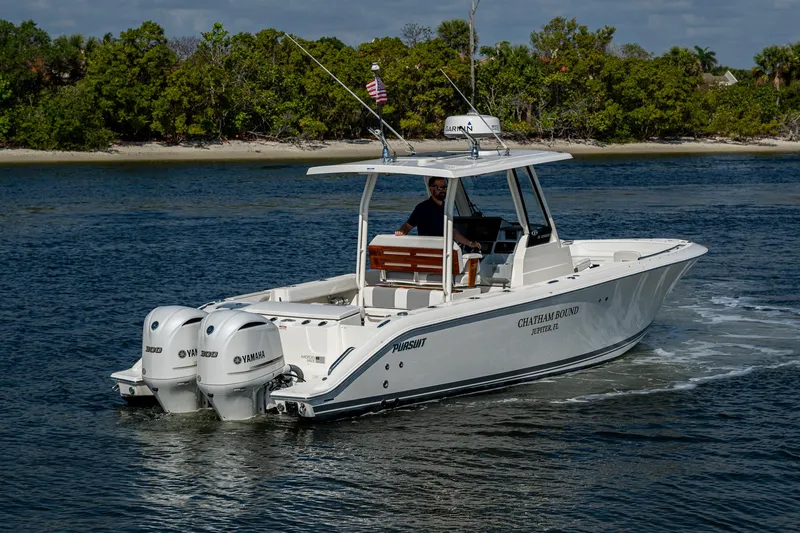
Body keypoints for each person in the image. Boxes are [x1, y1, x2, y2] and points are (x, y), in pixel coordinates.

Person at [395, 177, 480, 250]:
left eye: (445, 187)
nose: (443, 190)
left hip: (444, 250)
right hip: (429, 251)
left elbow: (452, 232)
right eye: (440, 188)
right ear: (431, 189)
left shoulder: (446, 207)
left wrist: (470, 243)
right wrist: (401, 232)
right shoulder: (422, 208)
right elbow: (407, 226)